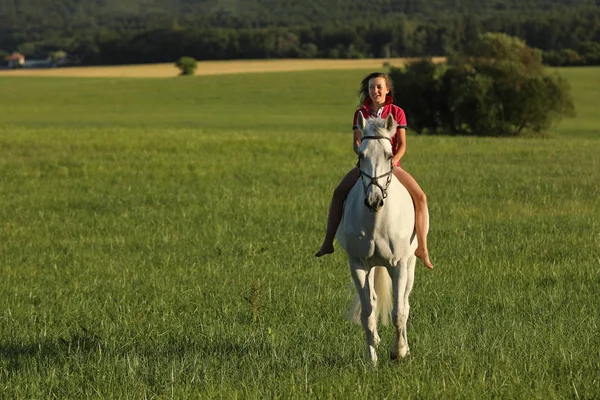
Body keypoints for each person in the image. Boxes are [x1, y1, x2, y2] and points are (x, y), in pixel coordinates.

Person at [315, 72, 434, 269]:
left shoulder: (397, 112)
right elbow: (356, 142)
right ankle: (328, 242)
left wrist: (394, 160)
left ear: (387, 90)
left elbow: (402, 145)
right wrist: (363, 154)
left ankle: (422, 247)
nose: (375, 90)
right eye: (371, 87)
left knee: (420, 197)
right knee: (338, 193)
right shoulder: (360, 113)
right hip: (366, 165)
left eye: (379, 87)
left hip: (391, 166)